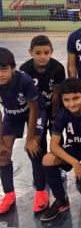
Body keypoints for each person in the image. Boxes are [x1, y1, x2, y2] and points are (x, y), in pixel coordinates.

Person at [40, 78, 81, 221]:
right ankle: (61, 201)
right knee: (47, 159)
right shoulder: (63, 114)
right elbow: (54, 146)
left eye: (76, 98)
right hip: (74, 150)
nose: (72, 103)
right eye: (67, 100)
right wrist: (75, 163)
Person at [0, 48, 48, 214]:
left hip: (33, 113)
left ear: (12, 68)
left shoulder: (24, 81)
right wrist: (0, 143)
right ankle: (9, 194)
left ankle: (41, 192)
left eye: (3, 69)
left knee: (34, 150)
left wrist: (30, 139)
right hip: (12, 115)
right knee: (3, 155)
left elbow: (34, 110)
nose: (0, 74)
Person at [20, 35, 66, 154]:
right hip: (35, 110)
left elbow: (56, 94)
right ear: (31, 52)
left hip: (53, 107)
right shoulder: (25, 69)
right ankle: (41, 167)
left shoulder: (58, 68)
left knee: (57, 137)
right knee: (39, 138)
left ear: (52, 52)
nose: (42, 56)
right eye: (38, 53)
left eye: (46, 53)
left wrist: (54, 117)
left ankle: (59, 166)